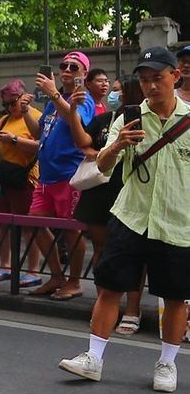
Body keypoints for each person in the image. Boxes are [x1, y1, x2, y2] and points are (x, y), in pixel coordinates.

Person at [58, 47, 189, 392]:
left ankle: (167, 363)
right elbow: (101, 166)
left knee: (176, 297)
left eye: (158, 79)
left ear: (175, 77)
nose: (150, 87)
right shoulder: (129, 116)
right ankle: (93, 357)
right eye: (144, 80)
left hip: (177, 221)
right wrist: (117, 145)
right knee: (110, 286)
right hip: (131, 216)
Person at [69, 75, 145, 333]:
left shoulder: (147, 122)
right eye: (114, 90)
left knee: (134, 254)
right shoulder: (105, 120)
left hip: (131, 192)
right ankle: (104, 306)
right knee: (102, 250)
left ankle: (132, 309)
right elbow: (83, 143)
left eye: (120, 90)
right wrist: (70, 109)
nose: (115, 95)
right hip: (100, 192)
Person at [23, 51, 95, 300]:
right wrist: (25, 112)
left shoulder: (82, 98)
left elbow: (76, 121)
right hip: (46, 177)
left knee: (71, 231)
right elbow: (38, 132)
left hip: (69, 176)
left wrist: (53, 93)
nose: (66, 70)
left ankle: (74, 282)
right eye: (63, 65)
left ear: (84, 73)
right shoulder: (56, 100)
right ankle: (56, 276)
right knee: (34, 224)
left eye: (73, 67)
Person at [0, 80, 41, 286]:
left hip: (26, 178)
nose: (9, 108)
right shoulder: (3, 120)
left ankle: (33, 269)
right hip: (3, 177)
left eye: (12, 103)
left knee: (28, 226)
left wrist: (14, 140)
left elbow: (40, 146)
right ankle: (5, 265)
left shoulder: (35, 117)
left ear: (23, 98)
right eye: (6, 105)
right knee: (3, 223)